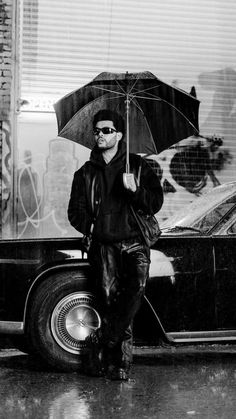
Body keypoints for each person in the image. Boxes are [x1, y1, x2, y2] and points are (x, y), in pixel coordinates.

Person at [68, 109, 163, 381]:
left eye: (106, 130)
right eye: (97, 130)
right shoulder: (85, 173)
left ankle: (101, 340)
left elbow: (155, 203)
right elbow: (75, 212)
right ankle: (119, 364)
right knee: (112, 303)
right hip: (104, 246)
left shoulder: (139, 166)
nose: (100, 134)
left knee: (135, 293)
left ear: (120, 135)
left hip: (135, 244)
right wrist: (92, 227)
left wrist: (136, 191)